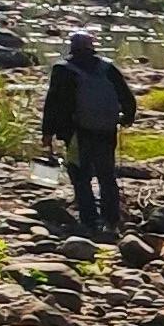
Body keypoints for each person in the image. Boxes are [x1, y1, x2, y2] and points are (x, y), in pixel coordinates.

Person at [40, 27, 136, 237]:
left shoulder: (63, 69)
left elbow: (53, 104)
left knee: (80, 175)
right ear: (92, 47)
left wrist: (47, 133)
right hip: (106, 130)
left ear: (72, 48)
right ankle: (111, 221)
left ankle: (89, 222)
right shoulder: (107, 67)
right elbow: (127, 97)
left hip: (76, 133)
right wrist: (127, 118)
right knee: (106, 174)